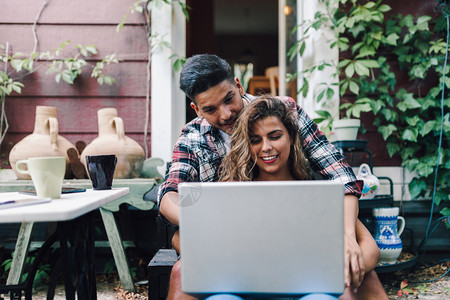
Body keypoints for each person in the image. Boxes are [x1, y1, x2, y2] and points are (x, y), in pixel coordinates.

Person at [157, 54, 387, 299]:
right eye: (210, 109)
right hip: (234, 245)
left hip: (299, 234)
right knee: (182, 272)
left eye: (229, 99)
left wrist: (347, 238)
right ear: (196, 109)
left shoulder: (281, 111)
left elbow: (340, 176)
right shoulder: (194, 139)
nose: (225, 115)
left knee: (358, 277)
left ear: (238, 85)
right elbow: (169, 192)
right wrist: (207, 224)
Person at [219, 96, 387, 299]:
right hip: (250, 289)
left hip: (311, 289)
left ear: (290, 136)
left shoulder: (316, 190)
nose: (265, 147)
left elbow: (371, 250)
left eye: (274, 136)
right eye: (255, 140)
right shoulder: (233, 191)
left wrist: (338, 269)